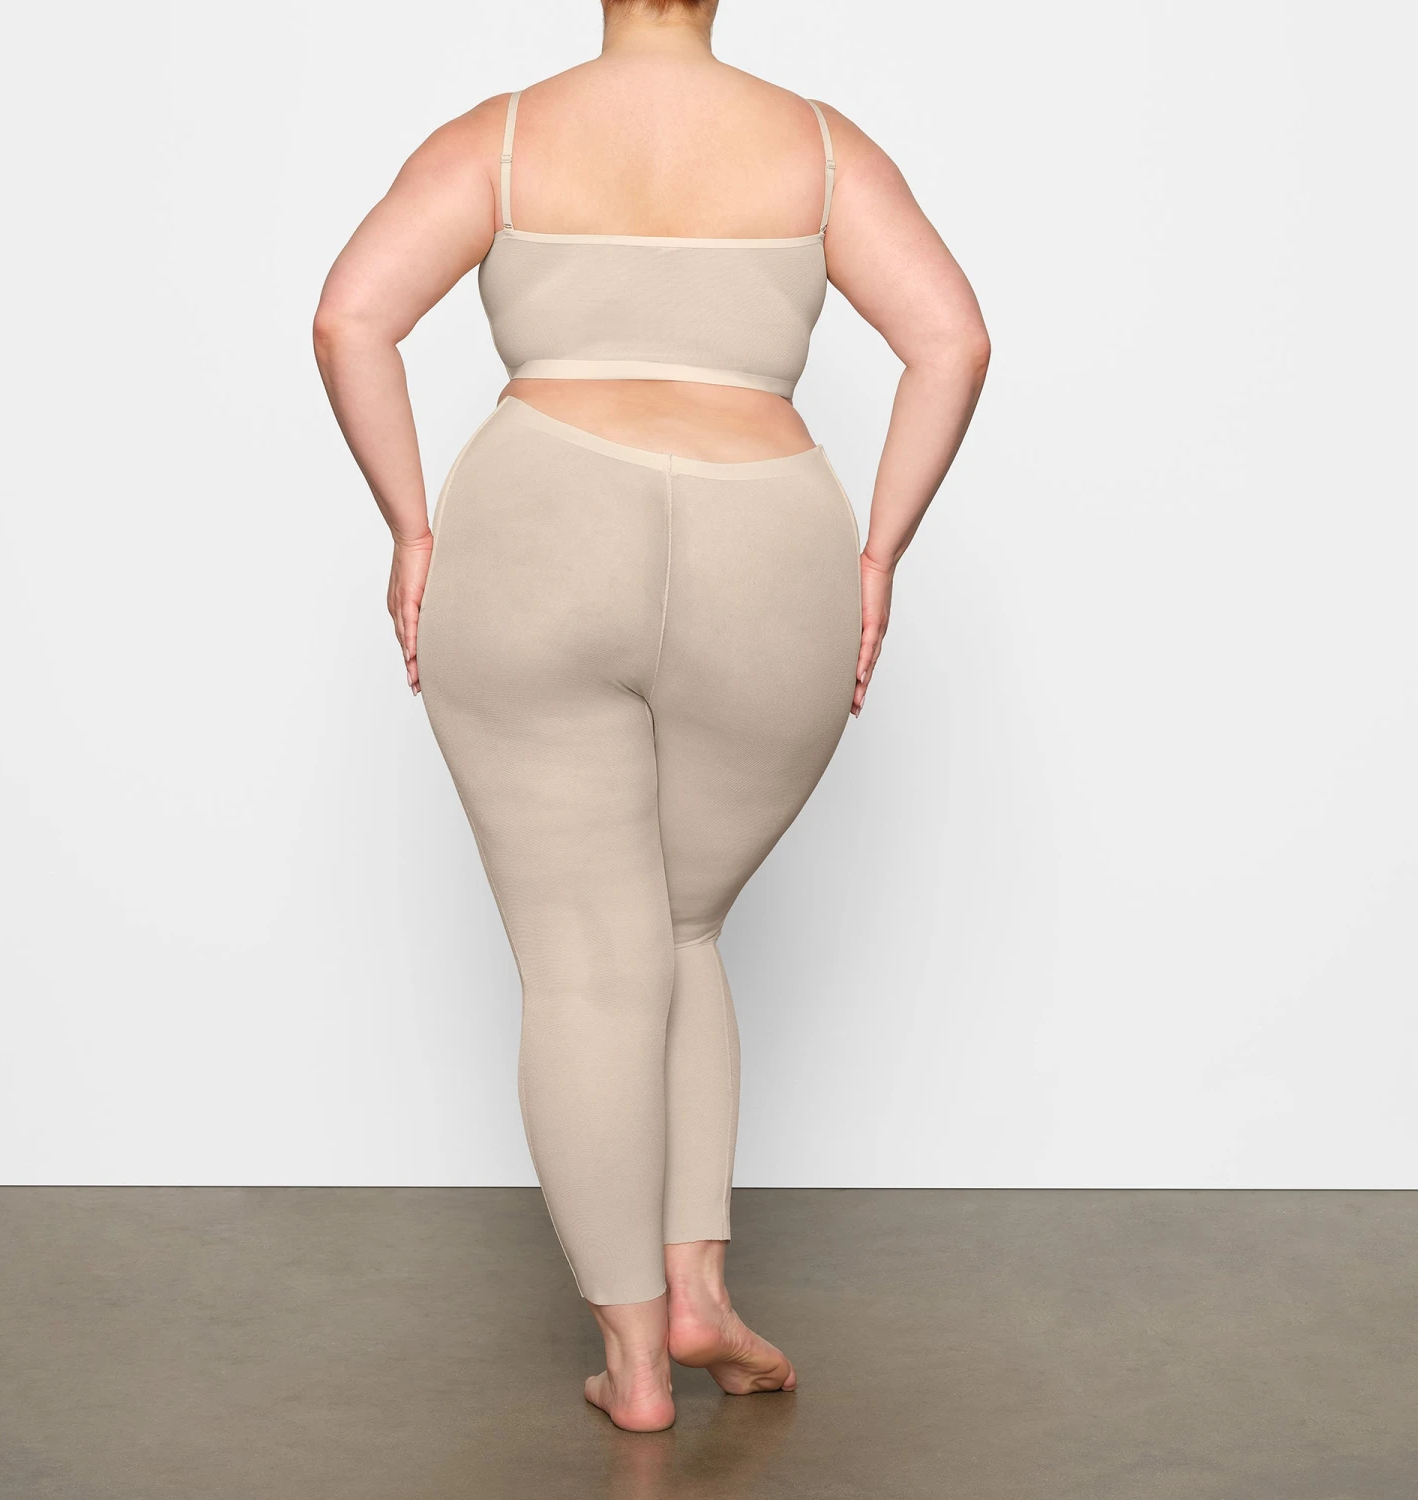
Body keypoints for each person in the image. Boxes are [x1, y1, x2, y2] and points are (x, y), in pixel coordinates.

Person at [312, 0, 989, 1433]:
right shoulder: (817, 147)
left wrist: (414, 528)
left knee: (588, 965)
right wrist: (876, 555)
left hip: (540, 529)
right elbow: (953, 339)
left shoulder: (503, 137)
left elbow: (348, 314)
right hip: (770, 551)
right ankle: (698, 1290)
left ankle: (633, 1362)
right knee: (679, 932)